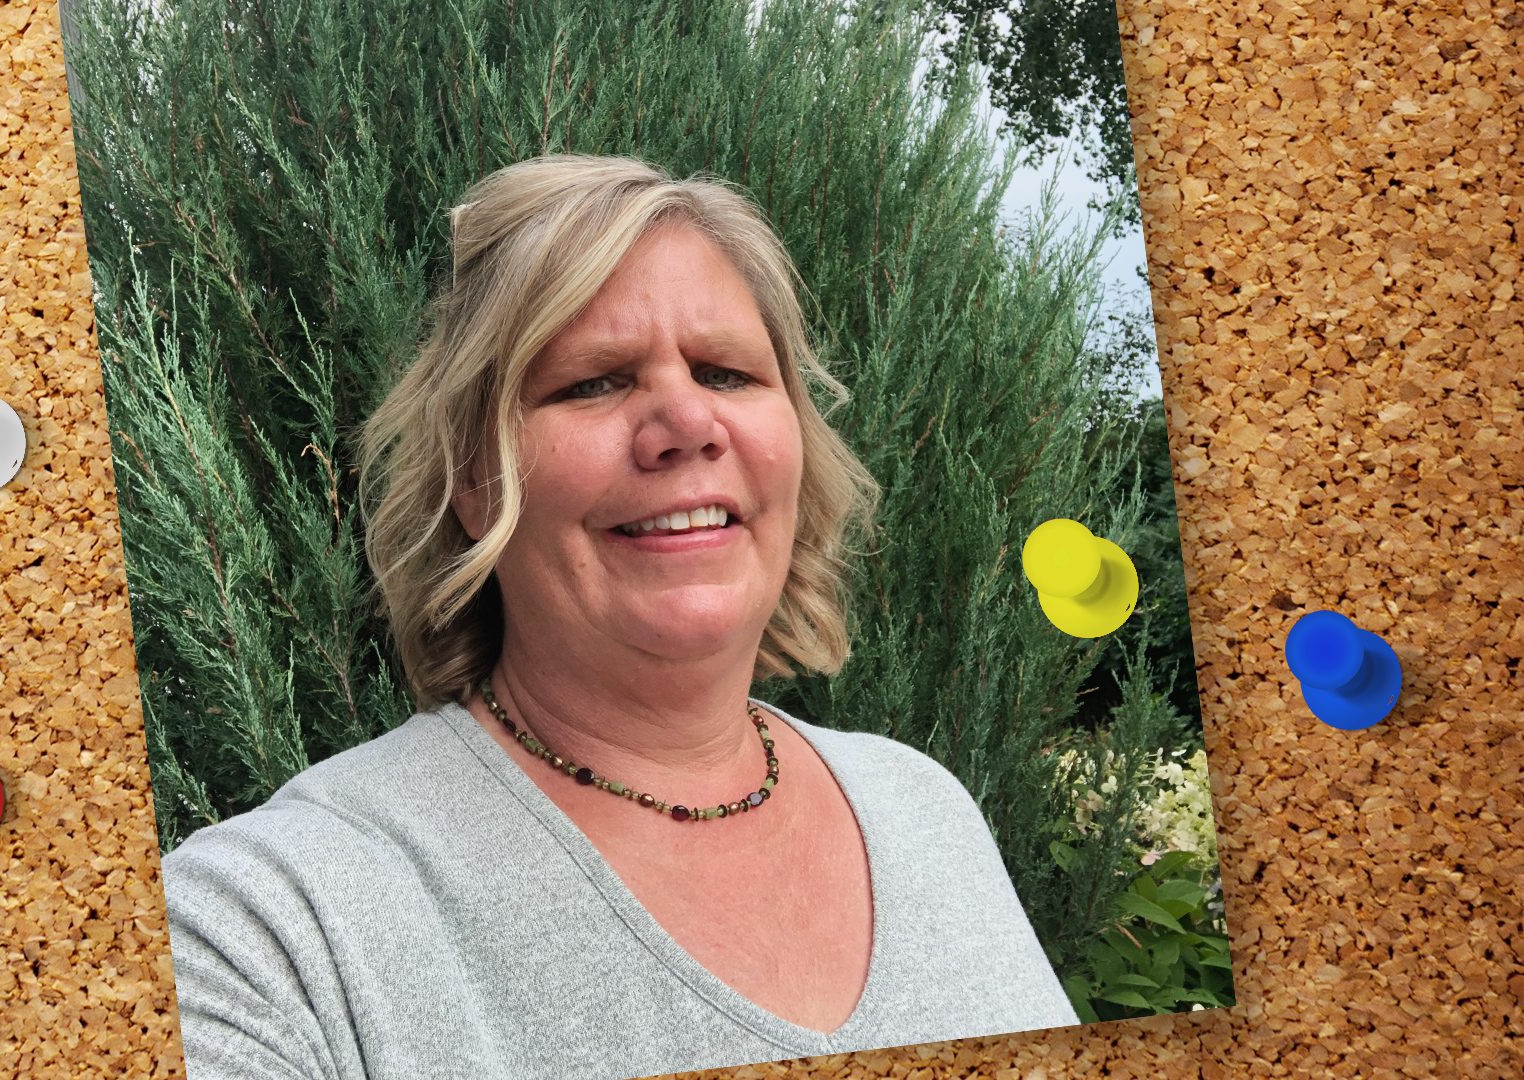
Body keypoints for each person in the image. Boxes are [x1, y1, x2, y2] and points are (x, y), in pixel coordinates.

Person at [160, 154, 1078, 1080]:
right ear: (477, 486)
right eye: (592, 382)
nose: (685, 420)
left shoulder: (925, 809)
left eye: (726, 372)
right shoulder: (269, 932)